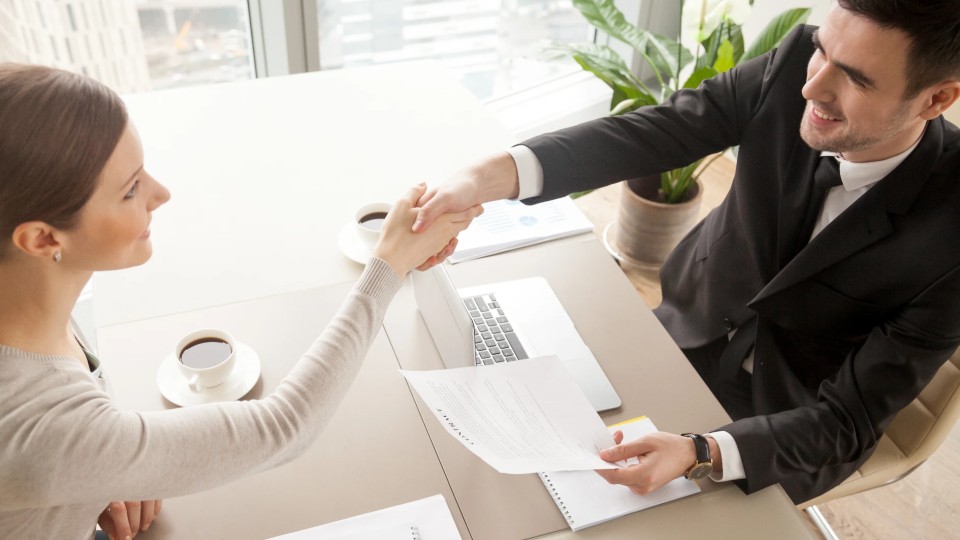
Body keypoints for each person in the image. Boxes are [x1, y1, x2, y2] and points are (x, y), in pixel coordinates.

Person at [411, 0, 960, 504]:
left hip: (787, 422)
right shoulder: (795, 63)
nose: (812, 87)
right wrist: (488, 176)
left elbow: (847, 421)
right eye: (823, 50)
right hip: (682, 330)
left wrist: (706, 452)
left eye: (857, 79)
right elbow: (661, 131)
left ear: (936, 98)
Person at [0, 64, 480, 540]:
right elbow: (285, 425)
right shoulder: (43, 428)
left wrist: (96, 475)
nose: (161, 195)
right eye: (130, 190)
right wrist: (389, 266)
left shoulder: (28, 296)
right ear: (41, 239)